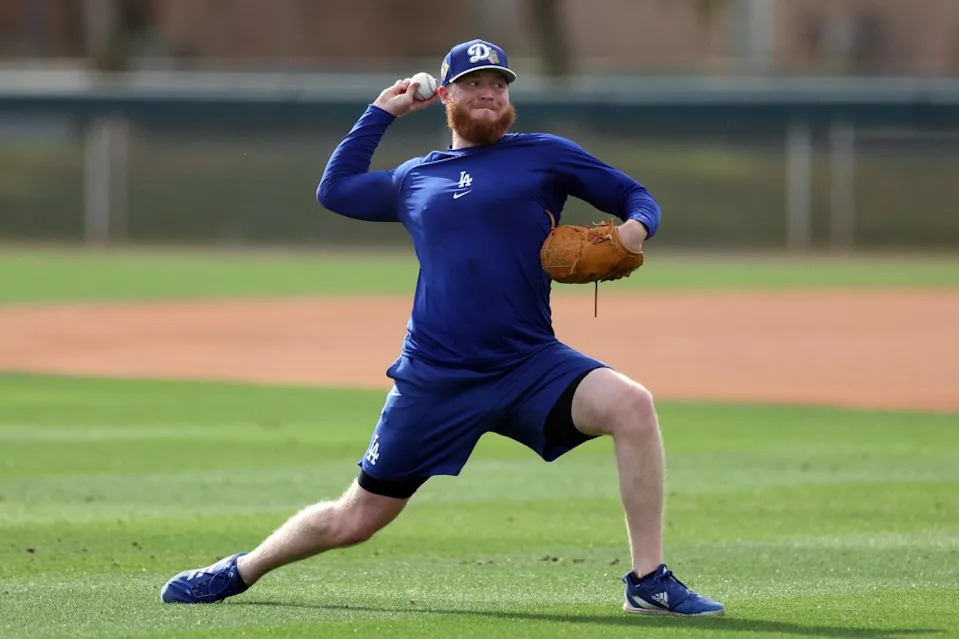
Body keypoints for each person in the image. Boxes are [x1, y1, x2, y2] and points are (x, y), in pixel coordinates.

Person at [160, 38, 724, 617]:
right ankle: (239, 570)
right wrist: (382, 112)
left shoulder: (545, 155)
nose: (489, 93)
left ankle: (648, 581)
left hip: (528, 363)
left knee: (632, 405)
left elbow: (635, 194)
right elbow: (335, 190)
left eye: (499, 84)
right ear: (447, 95)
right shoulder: (414, 179)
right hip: (436, 377)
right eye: (475, 83)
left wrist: (637, 228)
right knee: (355, 519)